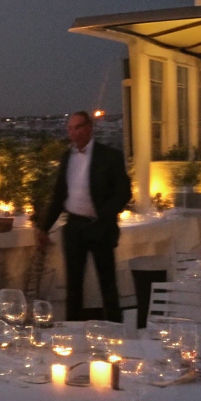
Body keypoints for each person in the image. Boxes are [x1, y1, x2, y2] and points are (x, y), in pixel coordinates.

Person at [33, 111, 133, 322]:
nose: (72, 132)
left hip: (100, 227)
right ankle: (72, 336)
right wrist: (44, 227)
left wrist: (104, 215)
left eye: (76, 127)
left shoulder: (109, 156)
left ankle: (116, 334)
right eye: (69, 128)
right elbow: (59, 195)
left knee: (108, 284)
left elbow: (124, 192)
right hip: (74, 228)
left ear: (88, 128)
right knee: (73, 286)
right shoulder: (67, 157)